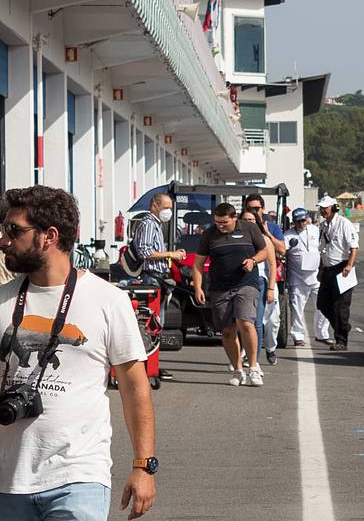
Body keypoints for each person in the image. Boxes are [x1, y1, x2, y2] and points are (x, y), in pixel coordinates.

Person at [0, 186, 156, 521]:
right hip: (7, 479)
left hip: (78, 476)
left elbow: (133, 386)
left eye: (14, 231)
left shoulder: (107, 300)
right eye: (3, 231)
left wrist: (144, 466)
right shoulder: (2, 301)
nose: (4, 240)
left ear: (49, 236)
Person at [192, 202, 269, 387]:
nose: (220, 225)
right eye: (217, 222)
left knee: (246, 322)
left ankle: (253, 367)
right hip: (220, 287)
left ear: (234, 218)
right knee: (227, 331)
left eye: (224, 222)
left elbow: (264, 251)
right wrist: (198, 288)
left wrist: (253, 260)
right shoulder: (209, 234)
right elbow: (198, 263)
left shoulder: (249, 228)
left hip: (246, 284)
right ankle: (238, 369)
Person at [127, 193, 185, 380]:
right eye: (165, 207)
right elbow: (145, 252)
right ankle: (145, 366)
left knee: (156, 325)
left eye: (170, 208)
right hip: (150, 278)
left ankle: (152, 365)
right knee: (150, 324)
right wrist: (171, 254)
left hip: (159, 276)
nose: (168, 212)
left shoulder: (157, 225)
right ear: (154, 206)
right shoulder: (148, 223)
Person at [244, 195, 285, 365]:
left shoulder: (272, 227)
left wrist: (267, 233)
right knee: (253, 320)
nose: (254, 211)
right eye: (250, 208)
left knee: (273, 321)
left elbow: (282, 250)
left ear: (262, 209)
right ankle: (251, 355)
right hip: (249, 280)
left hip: (269, 278)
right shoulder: (242, 228)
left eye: (256, 208)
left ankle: (270, 348)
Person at [316, 196, 358, 351]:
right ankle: (343, 327)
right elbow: (322, 249)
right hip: (327, 269)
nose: (322, 210)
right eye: (321, 208)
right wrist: (321, 269)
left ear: (333, 208)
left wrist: (349, 265)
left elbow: (354, 247)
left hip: (342, 267)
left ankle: (341, 340)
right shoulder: (323, 226)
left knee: (341, 306)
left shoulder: (344, 224)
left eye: (325, 207)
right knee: (322, 303)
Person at [284, 209, 330, 346]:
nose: (301, 223)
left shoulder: (315, 230)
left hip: (316, 276)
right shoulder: (288, 235)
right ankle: (298, 336)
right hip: (298, 278)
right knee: (297, 309)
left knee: (323, 305)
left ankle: (322, 334)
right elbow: (282, 251)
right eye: (298, 221)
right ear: (294, 222)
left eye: (303, 220)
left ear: (307, 219)